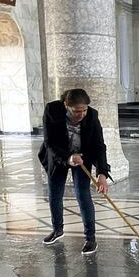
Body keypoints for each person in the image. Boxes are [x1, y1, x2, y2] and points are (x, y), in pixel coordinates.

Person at [38, 88, 110, 254]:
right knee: (55, 194)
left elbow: (100, 146)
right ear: (66, 106)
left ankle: (90, 239)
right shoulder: (52, 110)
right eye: (77, 111)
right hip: (58, 157)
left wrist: (102, 174)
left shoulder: (92, 115)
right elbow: (49, 143)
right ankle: (57, 230)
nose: (82, 114)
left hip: (83, 157)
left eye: (84, 110)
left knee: (82, 194)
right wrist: (67, 158)